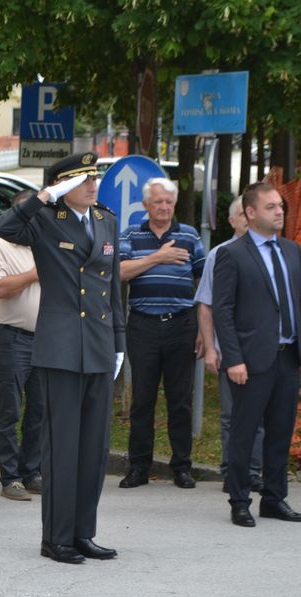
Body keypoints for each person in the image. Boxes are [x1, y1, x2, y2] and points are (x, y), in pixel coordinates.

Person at [0, 151, 125, 564]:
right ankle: (56, 537)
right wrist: (46, 195)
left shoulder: (106, 220)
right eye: (82, 179)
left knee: (94, 449)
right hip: (61, 348)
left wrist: (119, 341)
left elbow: (112, 286)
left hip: (99, 345)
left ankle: (83, 533)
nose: (92, 185)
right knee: (63, 447)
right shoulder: (46, 219)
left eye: (94, 178)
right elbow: (1, 227)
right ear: (64, 185)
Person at [213, 182, 301, 527]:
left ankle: (274, 499)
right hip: (249, 361)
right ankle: (239, 501)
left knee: (280, 432)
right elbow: (222, 311)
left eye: (280, 205)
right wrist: (233, 358)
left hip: (288, 356)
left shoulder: (292, 251)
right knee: (244, 432)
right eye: (271, 207)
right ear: (250, 213)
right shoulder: (233, 254)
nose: (280, 211)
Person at [118, 177, 206, 490]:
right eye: (158, 201)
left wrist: (203, 329)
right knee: (142, 400)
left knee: (180, 400)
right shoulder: (131, 234)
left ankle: (182, 467)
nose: (164, 207)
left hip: (182, 325)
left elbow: (204, 282)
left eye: (169, 201)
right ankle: (138, 467)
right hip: (143, 325)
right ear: (146, 205)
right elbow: (120, 272)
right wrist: (158, 257)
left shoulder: (189, 235)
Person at [196, 196, 263, 492]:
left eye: (250, 214)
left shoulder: (270, 253)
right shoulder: (220, 254)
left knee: (259, 414)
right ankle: (231, 470)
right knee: (230, 415)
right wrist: (211, 348)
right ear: (232, 220)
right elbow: (206, 304)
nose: (247, 220)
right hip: (229, 349)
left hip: (263, 350)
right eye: (241, 215)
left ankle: (254, 471)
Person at [0, 188, 43, 502]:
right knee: (9, 410)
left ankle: (31, 471)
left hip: (46, 339)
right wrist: (33, 274)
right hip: (12, 337)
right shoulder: (0, 247)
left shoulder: (47, 243)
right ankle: (10, 477)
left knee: (40, 410)